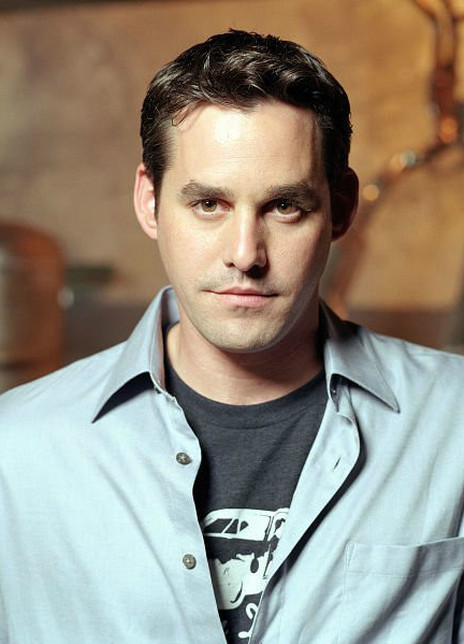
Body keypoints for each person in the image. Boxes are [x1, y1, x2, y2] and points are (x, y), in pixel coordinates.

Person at [1, 28, 464, 644]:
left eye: (285, 206)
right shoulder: (16, 449)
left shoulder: (453, 424)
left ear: (342, 207)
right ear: (149, 201)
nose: (245, 255)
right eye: (209, 204)